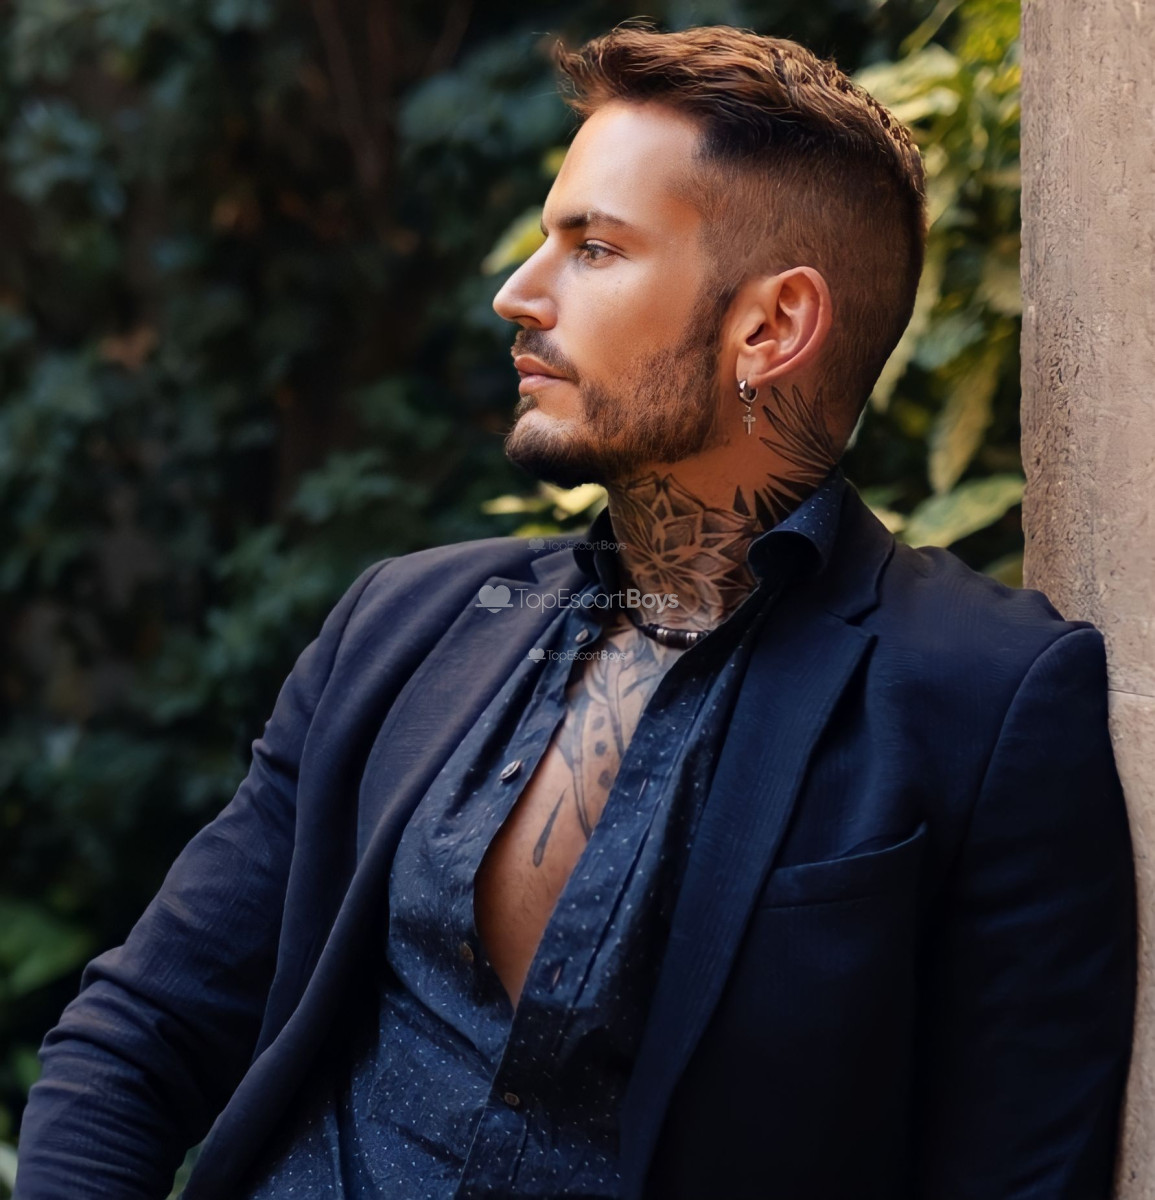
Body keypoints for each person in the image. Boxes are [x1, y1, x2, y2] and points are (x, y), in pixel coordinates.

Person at [14, 22, 1136, 1200]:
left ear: (771, 326)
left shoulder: (986, 700)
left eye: (593, 249)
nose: (518, 294)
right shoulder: (399, 627)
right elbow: (139, 1035)